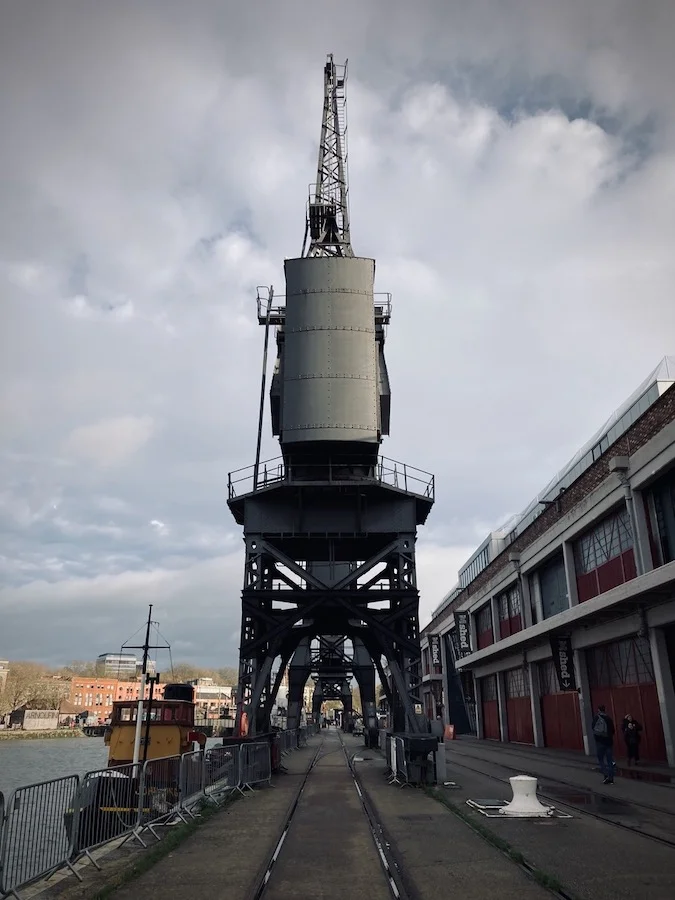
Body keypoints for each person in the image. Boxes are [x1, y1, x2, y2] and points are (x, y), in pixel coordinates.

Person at [591, 704, 615, 784]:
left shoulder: (596, 718)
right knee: (609, 760)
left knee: (601, 760)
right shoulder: (609, 719)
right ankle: (611, 778)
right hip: (609, 742)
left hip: (600, 742)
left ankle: (605, 775)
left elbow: (593, 728)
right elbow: (613, 731)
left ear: (598, 710)